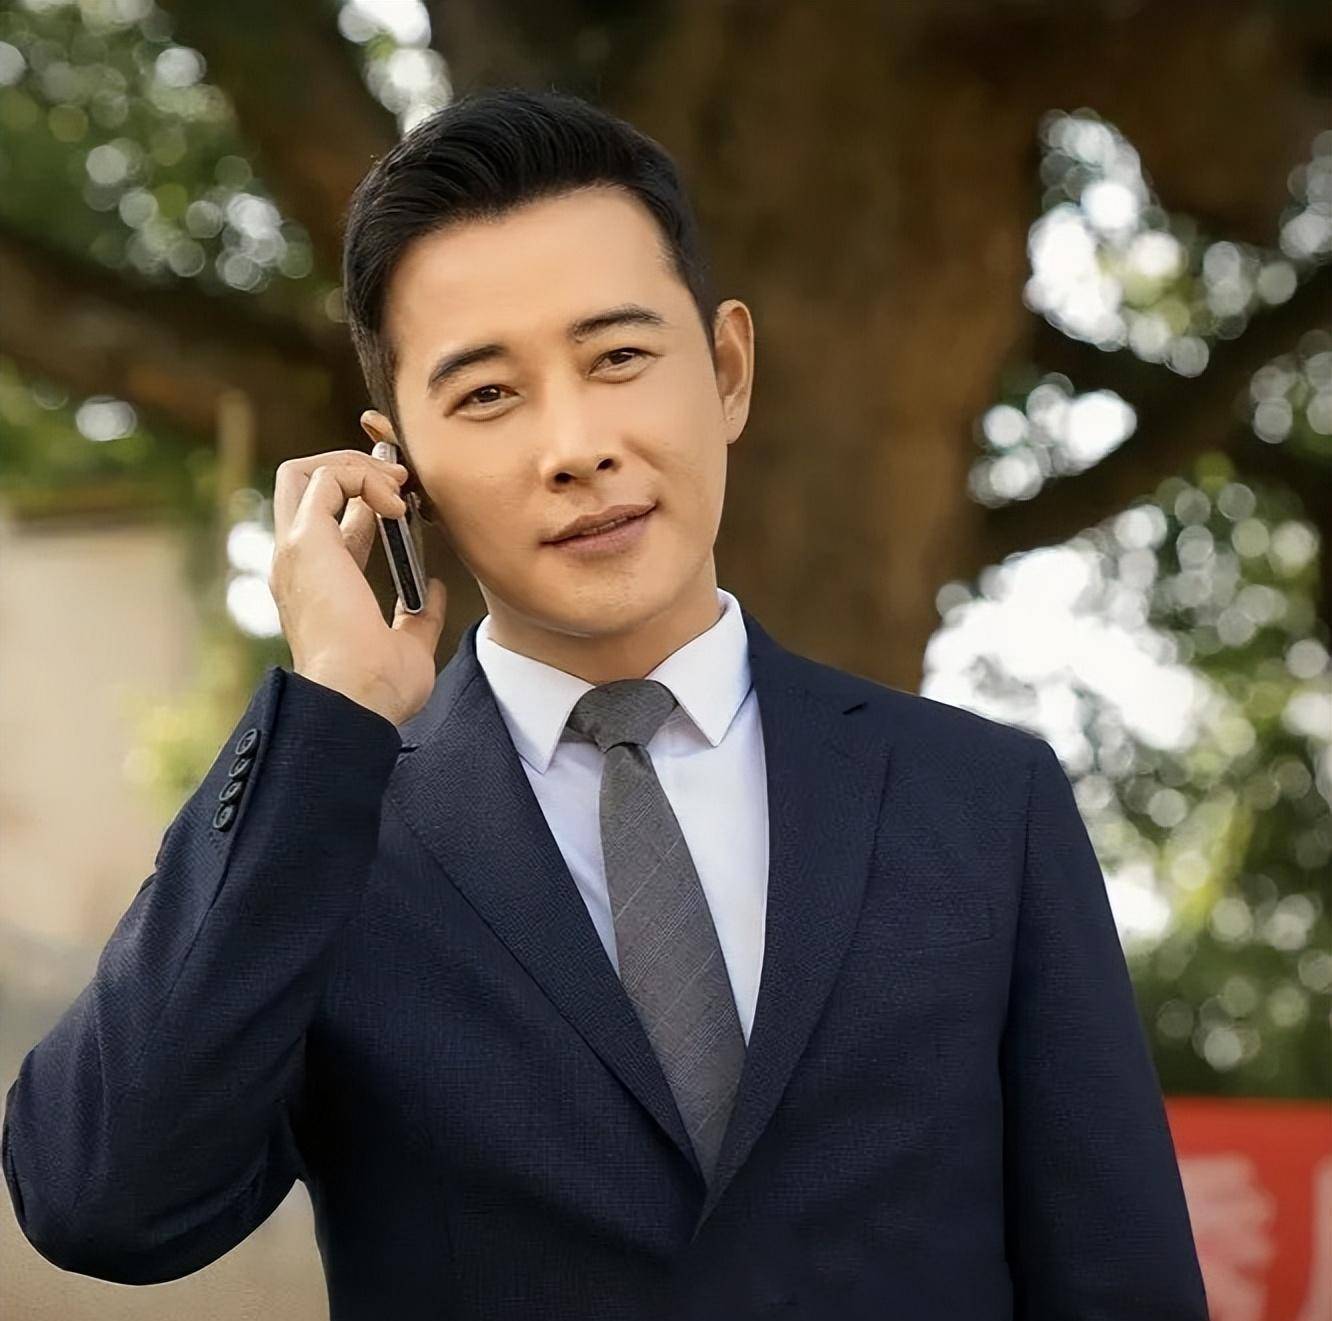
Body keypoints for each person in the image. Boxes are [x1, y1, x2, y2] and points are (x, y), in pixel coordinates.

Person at [1, 87, 1209, 1319]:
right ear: (397, 464)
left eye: (619, 357)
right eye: (487, 394)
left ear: (727, 369)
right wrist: (329, 719)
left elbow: (1122, 1281)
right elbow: (99, 1197)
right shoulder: (329, 832)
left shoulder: (985, 801)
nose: (574, 446)